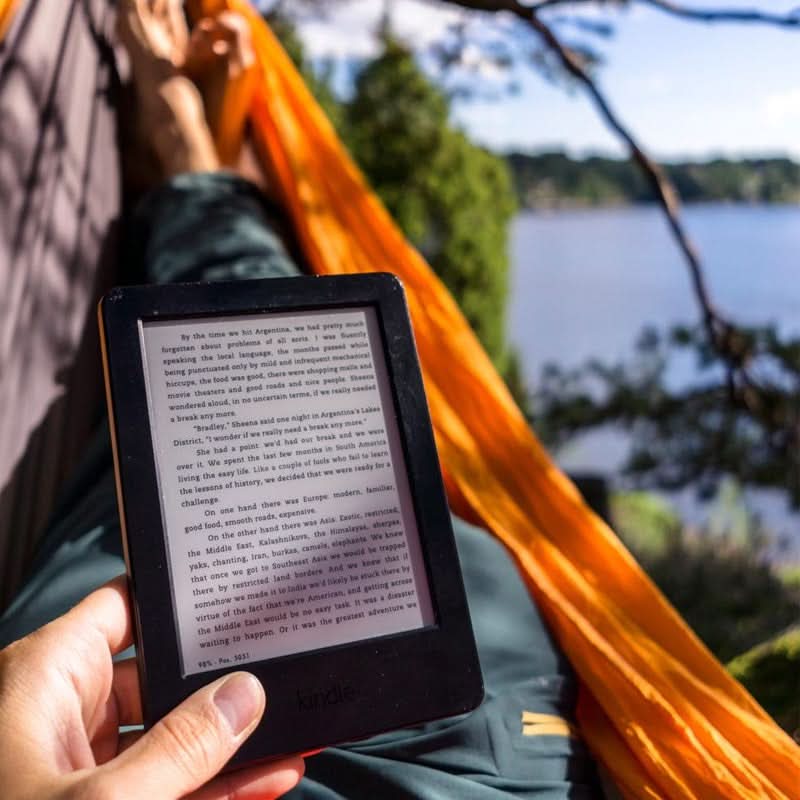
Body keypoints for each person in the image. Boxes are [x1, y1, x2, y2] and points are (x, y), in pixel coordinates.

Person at [0, 3, 604, 798]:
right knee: (300, 378)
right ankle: (200, 177)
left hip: (450, 722)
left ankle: (193, 168)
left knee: (182, 443)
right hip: (485, 714)